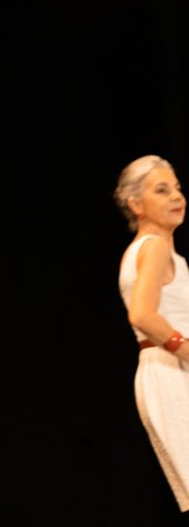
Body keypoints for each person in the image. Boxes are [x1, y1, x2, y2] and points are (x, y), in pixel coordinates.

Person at [116, 154, 189, 512]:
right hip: (172, 369)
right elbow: (142, 314)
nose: (176, 197)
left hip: (164, 369)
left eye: (177, 188)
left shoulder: (143, 250)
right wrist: (187, 349)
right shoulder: (155, 247)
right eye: (161, 190)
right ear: (136, 204)